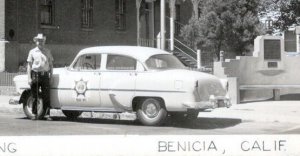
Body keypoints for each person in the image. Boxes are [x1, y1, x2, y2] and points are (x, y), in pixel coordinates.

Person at [27, 33, 54, 120]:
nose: (40, 42)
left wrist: (51, 77)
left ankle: (47, 114)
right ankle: (35, 114)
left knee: (46, 95)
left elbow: (51, 65)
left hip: (45, 75)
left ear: (44, 42)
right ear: (36, 42)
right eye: (38, 41)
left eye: (42, 41)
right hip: (35, 74)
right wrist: (29, 77)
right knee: (35, 95)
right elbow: (29, 66)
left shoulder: (48, 52)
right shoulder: (32, 52)